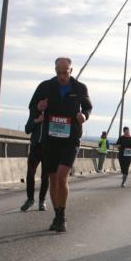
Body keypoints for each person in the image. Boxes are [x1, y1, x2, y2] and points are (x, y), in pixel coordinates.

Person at [28, 57, 92, 233]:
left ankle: (62, 216)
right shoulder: (45, 86)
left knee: (62, 176)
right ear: (55, 70)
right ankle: (57, 215)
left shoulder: (80, 88)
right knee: (53, 178)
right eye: (59, 72)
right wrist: (39, 107)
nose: (62, 76)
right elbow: (32, 107)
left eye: (66, 72)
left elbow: (87, 107)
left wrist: (84, 116)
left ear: (71, 70)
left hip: (71, 139)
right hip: (51, 139)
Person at [20, 111, 49, 212]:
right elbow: (27, 130)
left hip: (48, 149)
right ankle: (30, 199)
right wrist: (37, 120)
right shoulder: (34, 113)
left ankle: (42, 201)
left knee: (45, 176)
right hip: (35, 148)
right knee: (30, 174)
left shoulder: (53, 113)